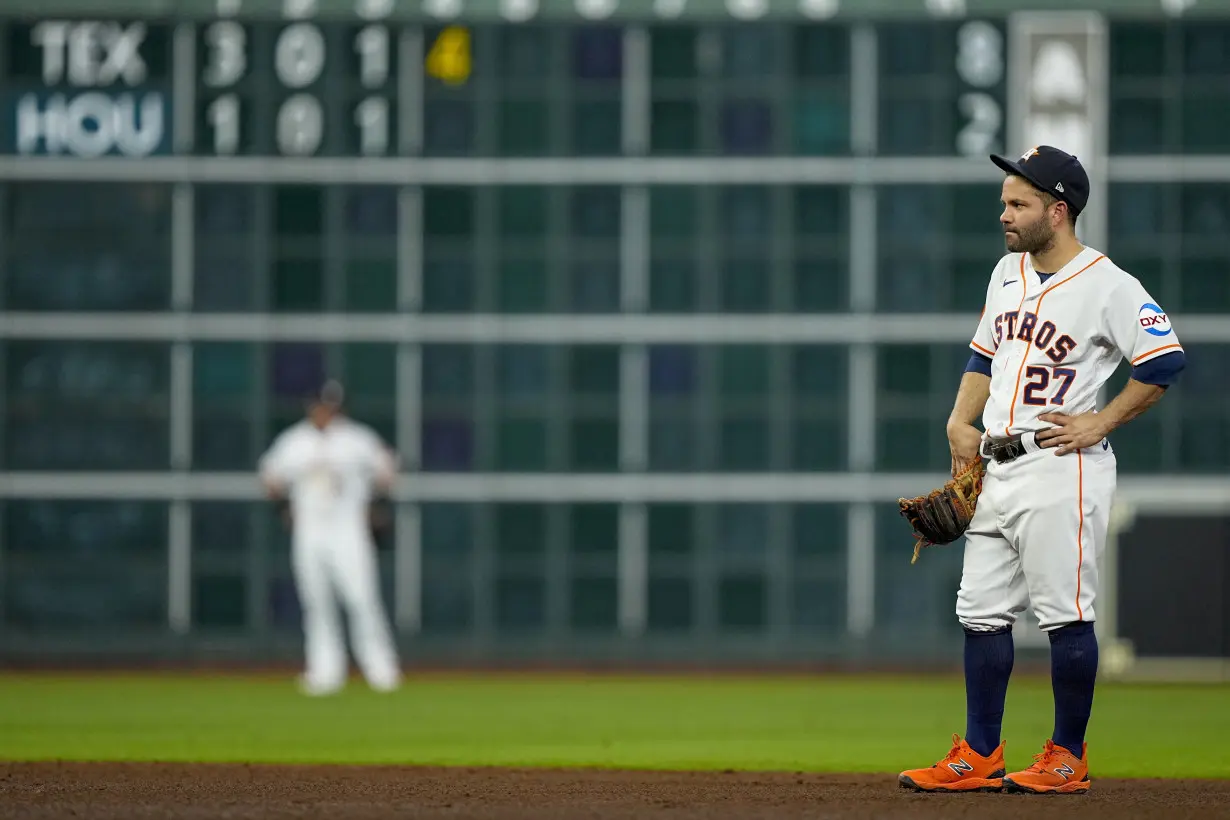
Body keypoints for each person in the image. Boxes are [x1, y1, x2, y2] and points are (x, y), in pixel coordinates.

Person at [898, 146, 1185, 794]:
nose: (1004, 213)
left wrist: (1100, 420)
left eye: (1018, 203)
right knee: (980, 610)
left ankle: (1068, 756)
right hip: (994, 466)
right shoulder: (1006, 273)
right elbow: (983, 357)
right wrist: (957, 425)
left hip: (1062, 466)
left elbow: (1163, 361)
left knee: (1064, 614)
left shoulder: (1109, 285)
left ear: (1057, 211)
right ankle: (979, 753)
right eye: (1005, 201)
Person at [258, 379, 403, 696]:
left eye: (330, 405)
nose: (324, 411)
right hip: (310, 529)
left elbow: (388, 470)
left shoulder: (356, 439)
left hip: (348, 527)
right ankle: (325, 671)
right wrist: (284, 507)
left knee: (362, 598)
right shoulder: (295, 441)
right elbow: (269, 477)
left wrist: (375, 506)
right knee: (316, 602)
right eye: (320, 404)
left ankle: (381, 670)